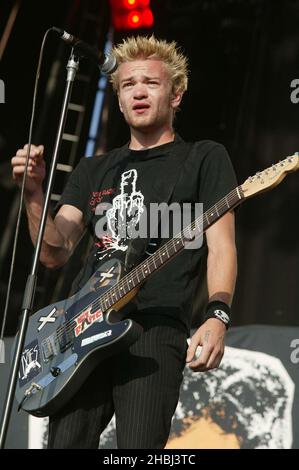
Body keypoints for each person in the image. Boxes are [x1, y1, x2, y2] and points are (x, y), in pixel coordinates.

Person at [11, 35, 237, 449]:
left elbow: (221, 246)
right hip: (81, 329)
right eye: (128, 84)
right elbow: (53, 252)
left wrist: (217, 314)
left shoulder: (204, 158)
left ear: (176, 94)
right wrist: (33, 193)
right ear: (117, 98)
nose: (138, 91)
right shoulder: (94, 167)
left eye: (150, 83)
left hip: (155, 326)